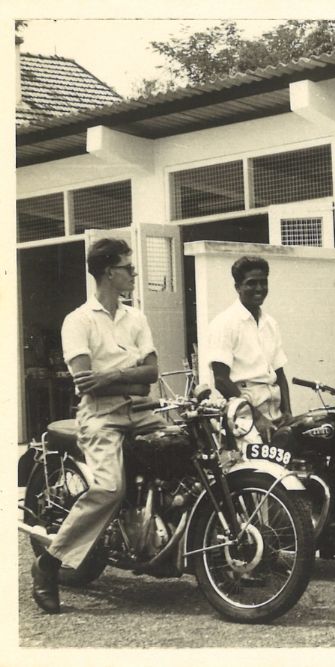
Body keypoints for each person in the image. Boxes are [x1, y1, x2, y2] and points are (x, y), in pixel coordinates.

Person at [32, 239, 166, 614]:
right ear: (109, 272)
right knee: (109, 487)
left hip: (141, 410)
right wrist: (127, 378)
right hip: (100, 416)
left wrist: (110, 378)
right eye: (128, 268)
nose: (134, 274)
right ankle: (49, 562)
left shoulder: (136, 317)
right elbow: (83, 381)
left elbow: (150, 375)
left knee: (182, 451)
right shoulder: (78, 321)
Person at [205, 256, 291, 442]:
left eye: (263, 282)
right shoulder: (225, 323)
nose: (259, 289)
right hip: (245, 417)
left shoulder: (270, 324)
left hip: (274, 412)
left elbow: (280, 374)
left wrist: (288, 414)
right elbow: (221, 380)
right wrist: (257, 419)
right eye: (251, 283)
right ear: (237, 287)